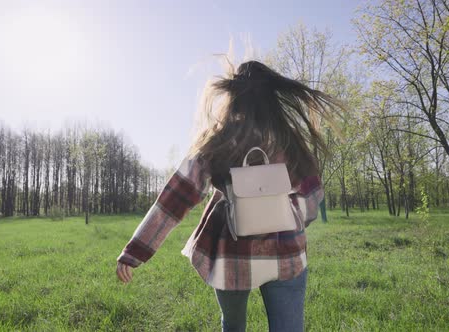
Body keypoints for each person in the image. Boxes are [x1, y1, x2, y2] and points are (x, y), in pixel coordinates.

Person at [116, 60, 344, 331]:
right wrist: (284, 218)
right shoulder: (289, 140)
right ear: (272, 97)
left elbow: (173, 200)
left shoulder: (217, 139)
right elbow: (313, 198)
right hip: (288, 254)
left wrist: (134, 252)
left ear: (234, 96)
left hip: (230, 256)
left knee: (233, 326)